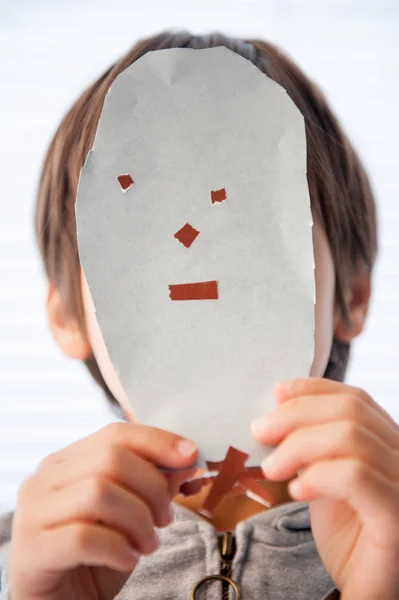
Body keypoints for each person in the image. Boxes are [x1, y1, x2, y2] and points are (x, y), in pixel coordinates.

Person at [1, 31, 398, 600]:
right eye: (137, 228)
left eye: (253, 222)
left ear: (352, 297)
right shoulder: (24, 568)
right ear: (67, 314)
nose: (188, 242)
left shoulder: (394, 542)